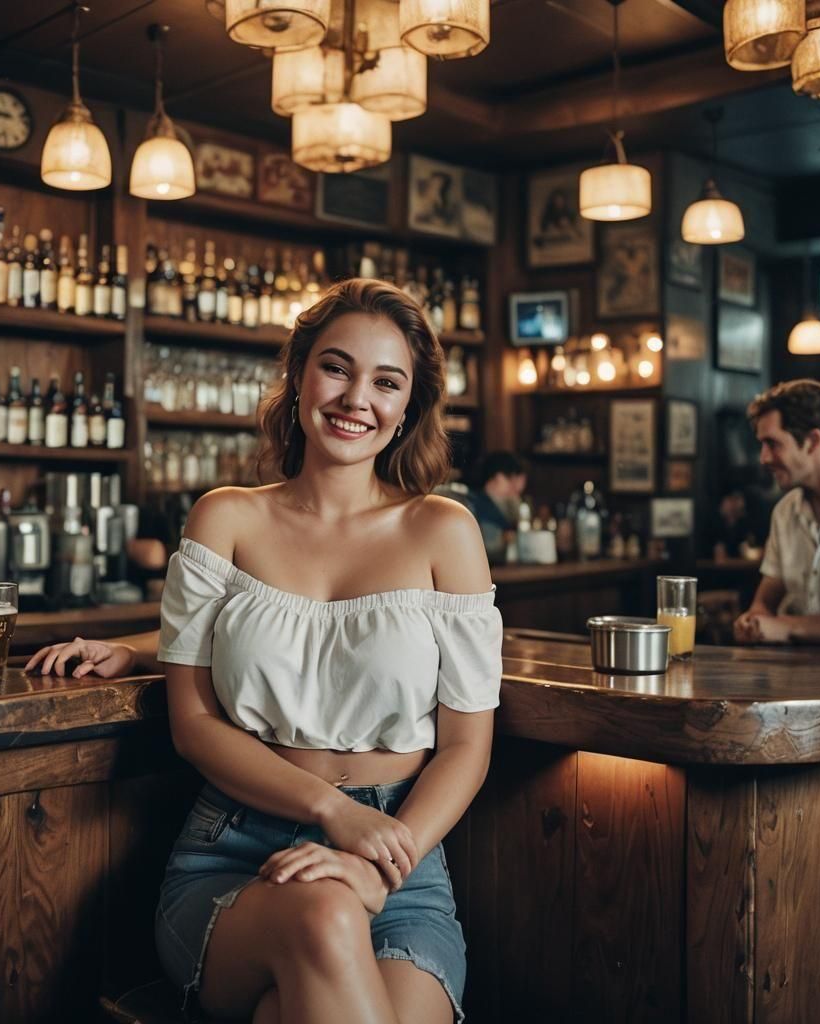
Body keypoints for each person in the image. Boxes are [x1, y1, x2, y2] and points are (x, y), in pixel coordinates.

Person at [27, 279, 503, 1024]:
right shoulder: (226, 518)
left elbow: (468, 746)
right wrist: (331, 812)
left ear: (409, 407)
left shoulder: (445, 531)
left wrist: (379, 859)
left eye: (387, 382)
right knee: (323, 917)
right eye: (337, 368)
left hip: (398, 859)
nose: (356, 399)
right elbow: (195, 723)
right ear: (300, 374)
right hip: (235, 851)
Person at [733, 379, 820, 645]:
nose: (763, 458)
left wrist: (787, 627)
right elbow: (765, 599)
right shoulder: (785, 511)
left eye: (773, 444)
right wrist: (755, 619)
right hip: (793, 680)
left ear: (813, 441)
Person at [463, 451, 527, 563]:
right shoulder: (473, 502)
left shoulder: (505, 503)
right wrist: (504, 537)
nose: (513, 485)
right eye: (509, 479)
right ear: (497, 477)